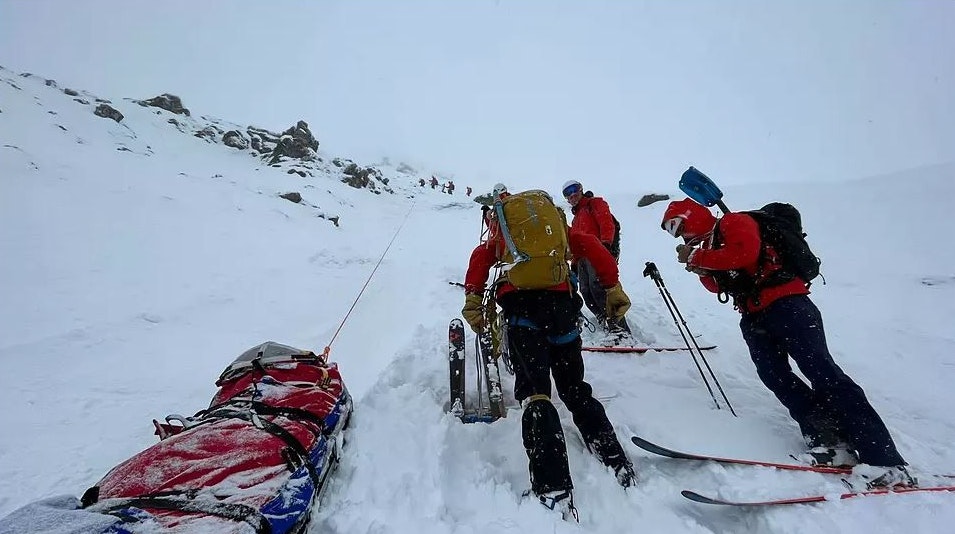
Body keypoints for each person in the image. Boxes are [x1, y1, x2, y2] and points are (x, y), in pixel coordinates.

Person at [660, 198, 914, 488]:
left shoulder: (734, 222)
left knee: (823, 373)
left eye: (678, 226)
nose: (680, 235)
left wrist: (696, 259)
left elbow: (744, 253)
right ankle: (830, 442)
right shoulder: (712, 246)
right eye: (673, 232)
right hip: (754, 314)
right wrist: (703, 270)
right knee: (775, 376)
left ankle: (886, 460)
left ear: (691, 216)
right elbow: (721, 285)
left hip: (788, 304)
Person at [462, 190, 637, 519]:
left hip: (524, 315)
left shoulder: (505, 234)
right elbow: (594, 248)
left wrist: (473, 298)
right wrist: (612, 288)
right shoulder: (558, 232)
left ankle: (552, 484)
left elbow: (480, 257)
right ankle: (614, 458)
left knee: (536, 393)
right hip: (562, 311)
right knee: (574, 387)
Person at [561, 180, 631, 337]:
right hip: (582, 259)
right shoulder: (576, 218)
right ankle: (604, 319)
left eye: (574, 190)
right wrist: (574, 262)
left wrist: (606, 245)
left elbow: (606, 222)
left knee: (599, 288)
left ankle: (620, 329)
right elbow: (577, 242)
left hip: (597, 252)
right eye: (567, 194)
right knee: (586, 291)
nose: (572, 195)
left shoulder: (594, 204)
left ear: (581, 189)